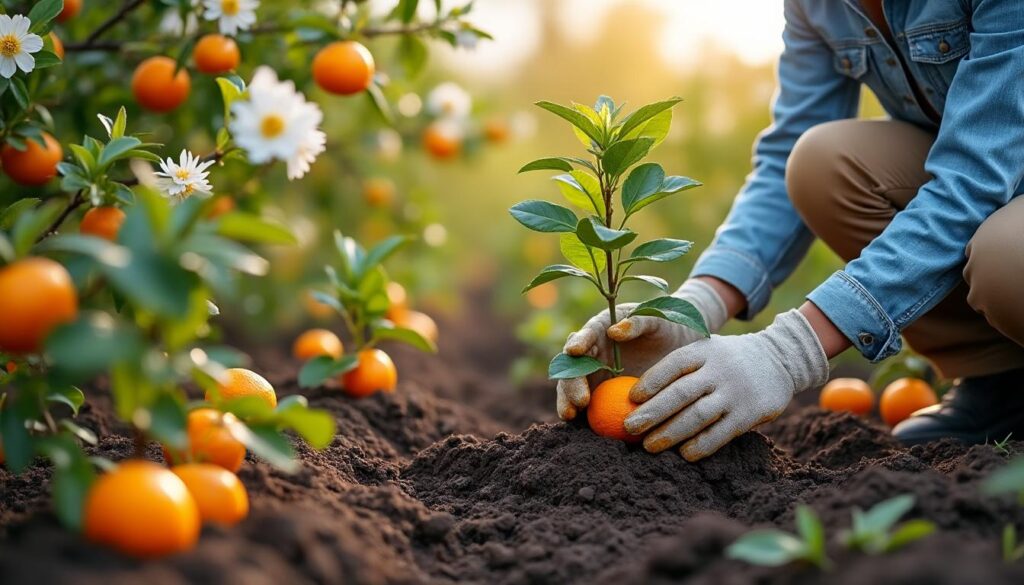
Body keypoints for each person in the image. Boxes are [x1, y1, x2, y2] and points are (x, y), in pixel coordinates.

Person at [556, 0, 1024, 461]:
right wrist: (692, 311)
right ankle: (1001, 382)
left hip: (990, 182)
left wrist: (789, 351)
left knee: (1008, 257)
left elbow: (972, 178)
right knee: (820, 163)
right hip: (993, 175)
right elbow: (784, 158)